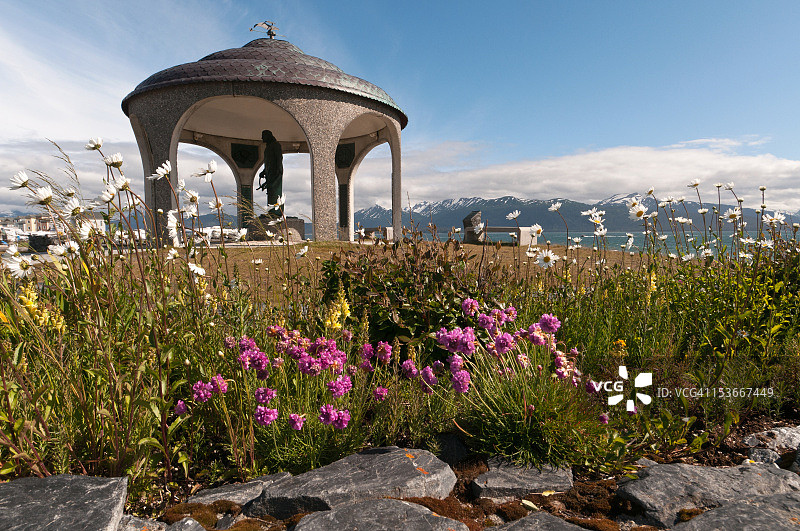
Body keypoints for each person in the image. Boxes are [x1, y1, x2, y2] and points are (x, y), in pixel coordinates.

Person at [257, 129, 283, 216]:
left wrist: (278, 170)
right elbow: (268, 162)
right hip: (269, 172)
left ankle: (276, 213)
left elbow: (279, 158)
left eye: (263, 136)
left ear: (268, 136)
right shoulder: (268, 147)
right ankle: (271, 212)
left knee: (275, 191)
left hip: (275, 172)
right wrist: (264, 171)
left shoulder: (276, 145)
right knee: (270, 191)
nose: (262, 138)